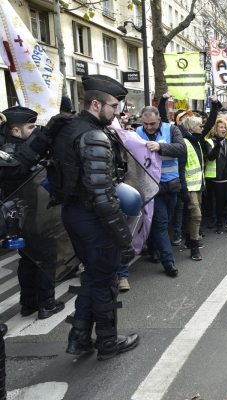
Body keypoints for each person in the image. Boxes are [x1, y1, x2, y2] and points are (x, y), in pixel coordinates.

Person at [47, 74, 139, 360]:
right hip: (93, 219)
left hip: (73, 214)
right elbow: (102, 195)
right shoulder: (94, 135)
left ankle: (79, 338)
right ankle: (108, 343)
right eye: (113, 106)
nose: (118, 112)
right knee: (104, 281)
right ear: (96, 104)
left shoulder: (67, 128)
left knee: (93, 276)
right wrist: (125, 240)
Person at [0, 107, 67, 319]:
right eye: (31, 127)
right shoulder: (10, 150)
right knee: (45, 256)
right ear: (16, 131)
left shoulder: (21, 147)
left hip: (25, 216)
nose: (35, 129)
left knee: (28, 258)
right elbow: (18, 168)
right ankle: (46, 304)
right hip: (29, 216)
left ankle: (28, 303)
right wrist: (44, 135)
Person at [137, 106, 186, 277]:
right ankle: (169, 263)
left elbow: (181, 149)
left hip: (171, 186)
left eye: (152, 124)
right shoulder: (137, 132)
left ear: (159, 120)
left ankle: (153, 248)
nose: (149, 127)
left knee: (163, 222)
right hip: (151, 188)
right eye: (145, 124)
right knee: (160, 224)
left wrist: (160, 147)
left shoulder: (171, 129)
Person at [205, 117, 227, 234]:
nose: (223, 129)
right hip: (218, 177)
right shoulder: (209, 141)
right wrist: (217, 145)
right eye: (221, 127)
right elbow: (210, 156)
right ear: (215, 129)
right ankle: (219, 224)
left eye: (225, 127)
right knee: (219, 202)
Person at [179, 117, 206, 261]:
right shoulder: (185, 143)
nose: (202, 128)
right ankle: (194, 247)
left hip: (197, 185)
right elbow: (181, 168)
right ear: (191, 128)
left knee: (191, 216)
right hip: (189, 186)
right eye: (199, 126)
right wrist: (183, 188)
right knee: (196, 216)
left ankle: (189, 240)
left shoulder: (196, 142)